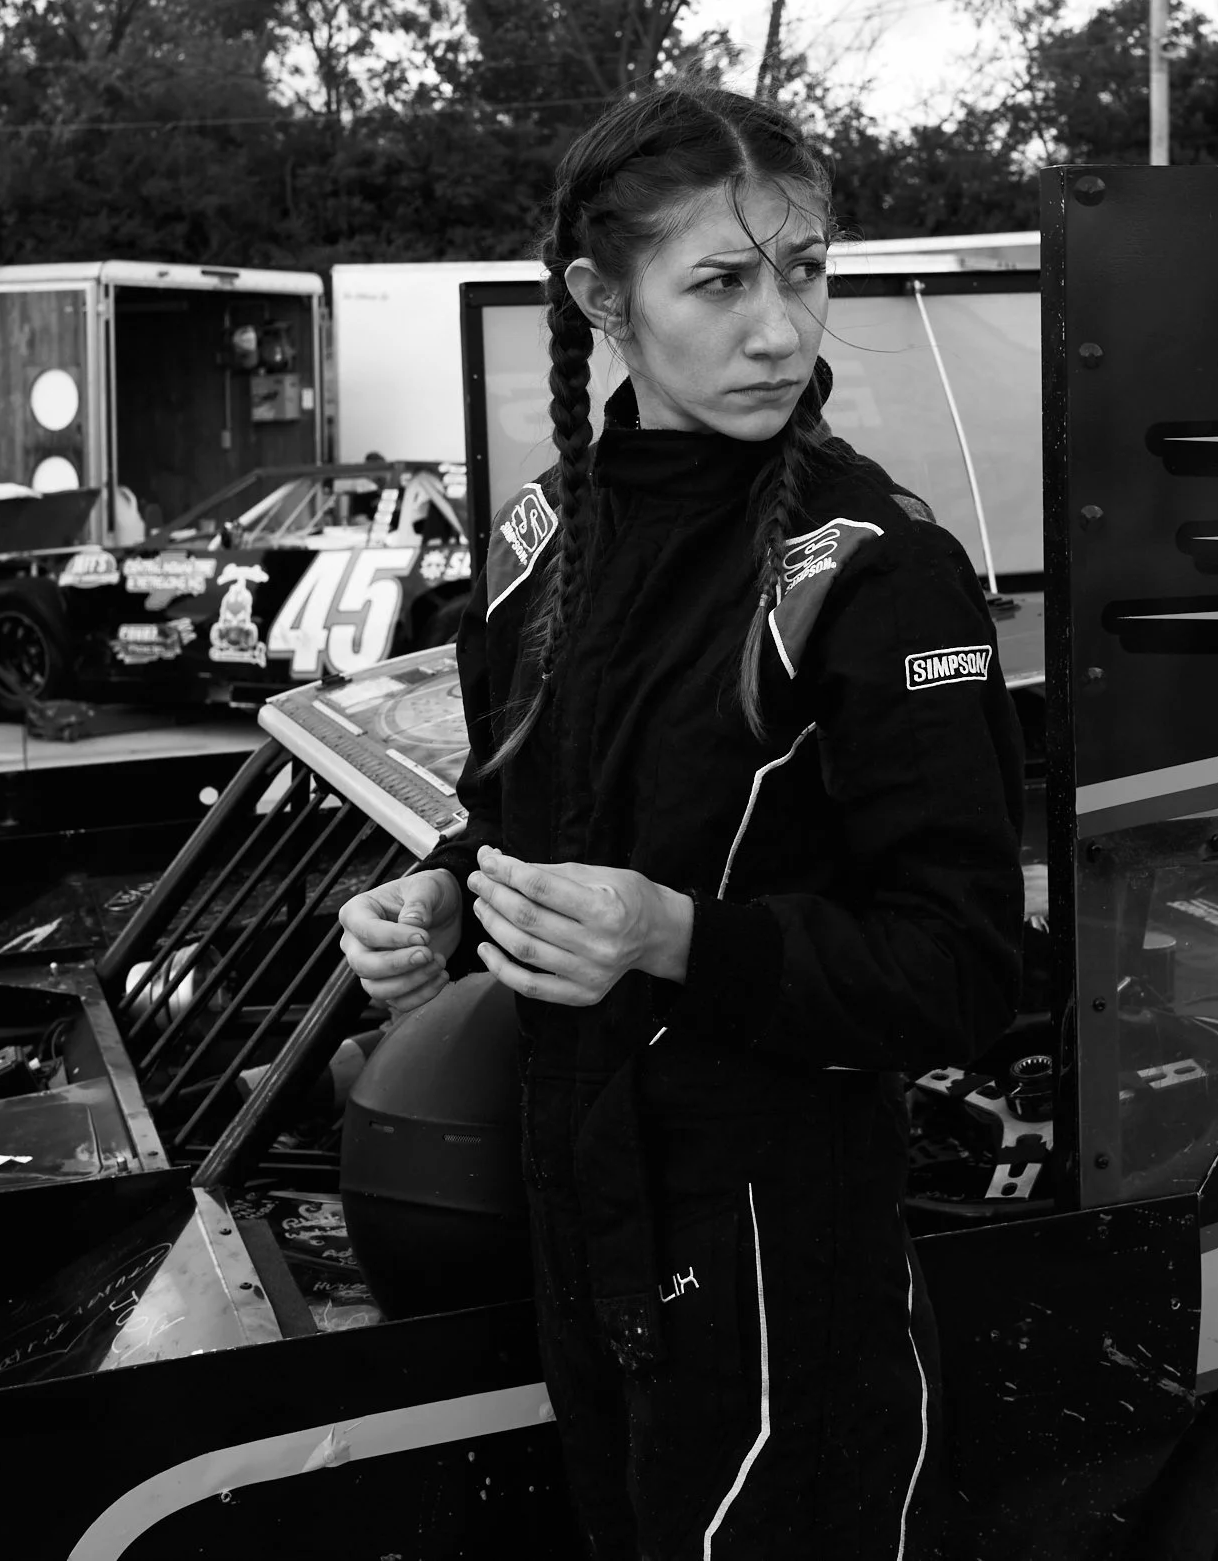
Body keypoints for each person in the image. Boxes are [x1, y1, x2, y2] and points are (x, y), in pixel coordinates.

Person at [336, 89, 1024, 1559]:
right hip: (579, 1196)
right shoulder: (538, 541)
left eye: (807, 270)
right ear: (603, 299)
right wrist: (450, 900)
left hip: (785, 1232)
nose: (782, 329)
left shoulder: (876, 568)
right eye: (723, 280)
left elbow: (963, 965)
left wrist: (672, 937)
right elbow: (523, 811)